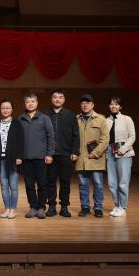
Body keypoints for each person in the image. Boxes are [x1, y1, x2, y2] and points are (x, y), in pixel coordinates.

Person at [43, 89, 80, 217]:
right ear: (51, 99)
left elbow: (76, 135)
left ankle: (64, 207)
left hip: (66, 154)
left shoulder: (70, 115)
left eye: (60, 97)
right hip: (50, 155)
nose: (57, 99)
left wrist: (75, 151)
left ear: (64, 100)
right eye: (55, 97)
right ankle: (51, 206)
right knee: (50, 182)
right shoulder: (45, 114)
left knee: (65, 182)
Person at [18, 94, 55, 219]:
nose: (30, 103)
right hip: (26, 158)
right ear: (25, 104)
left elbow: (51, 137)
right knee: (29, 185)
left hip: (41, 157)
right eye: (27, 101)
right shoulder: (20, 119)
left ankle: (41, 208)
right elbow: (18, 140)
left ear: (37, 103)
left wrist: (49, 154)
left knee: (42, 184)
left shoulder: (44, 118)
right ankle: (33, 207)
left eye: (32, 101)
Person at [75, 94, 110, 218]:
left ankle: (98, 208)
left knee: (98, 185)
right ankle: (85, 207)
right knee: (83, 185)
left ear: (93, 105)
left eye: (88, 103)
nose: (85, 105)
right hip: (81, 158)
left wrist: (96, 152)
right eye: (83, 103)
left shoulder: (101, 119)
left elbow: (105, 138)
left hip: (96, 158)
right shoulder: (76, 119)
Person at [106, 96, 136, 217]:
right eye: (111, 104)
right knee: (112, 182)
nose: (114, 106)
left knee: (123, 182)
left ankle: (122, 207)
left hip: (124, 153)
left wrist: (122, 150)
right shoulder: (106, 120)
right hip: (110, 152)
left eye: (116, 104)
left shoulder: (127, 119)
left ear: (120, 107)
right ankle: (117, 205)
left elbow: (132, 137)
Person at [0, 99, 24, 219]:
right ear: (0, 109)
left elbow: (21, 142)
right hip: (1, 159)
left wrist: (19, 157)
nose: (5, 110)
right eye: (3, 108)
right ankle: (7, 209)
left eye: (8, 108)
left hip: (13, 159)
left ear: (12, 109)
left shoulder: (17, 124)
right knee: (4, 185)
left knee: (14, 185)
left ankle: (13, 209)